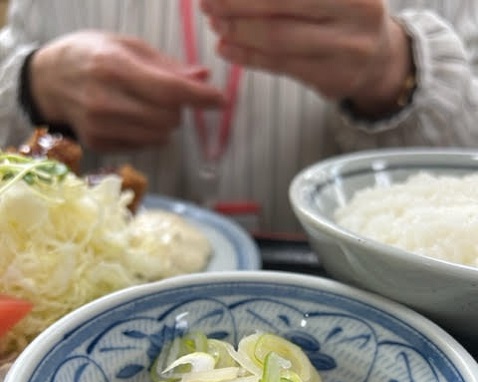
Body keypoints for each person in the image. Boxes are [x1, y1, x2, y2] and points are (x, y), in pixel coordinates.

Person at [0, 0, 477, 235]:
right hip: (96, 301)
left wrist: (396, 73)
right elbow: (13, 58)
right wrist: (33, 84)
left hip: (368, 302)